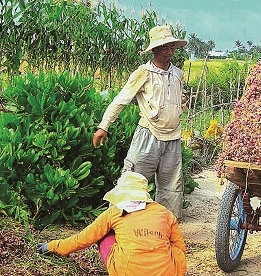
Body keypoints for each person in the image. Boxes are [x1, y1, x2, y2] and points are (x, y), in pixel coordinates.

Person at [92, 25, 187, 219]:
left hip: (173, 138)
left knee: (171, 188)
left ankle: (165, 228)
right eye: (164, 48)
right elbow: (121, 99)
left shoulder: (177, 74)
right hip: (148, 136)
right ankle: (123, 224)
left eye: (171, 47)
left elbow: (179, 100)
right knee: (133, 182)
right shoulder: (144, 73)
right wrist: (104, 126)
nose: (169, 52)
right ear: (154, 50)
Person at [36, 171, 187, 276]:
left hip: (127, 272)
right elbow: (180, 248)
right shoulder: (164, 212)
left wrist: (51, 246)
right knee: (168, 242)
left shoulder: (114, 212)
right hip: (170, 272)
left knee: (103, 234)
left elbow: (82, 239)